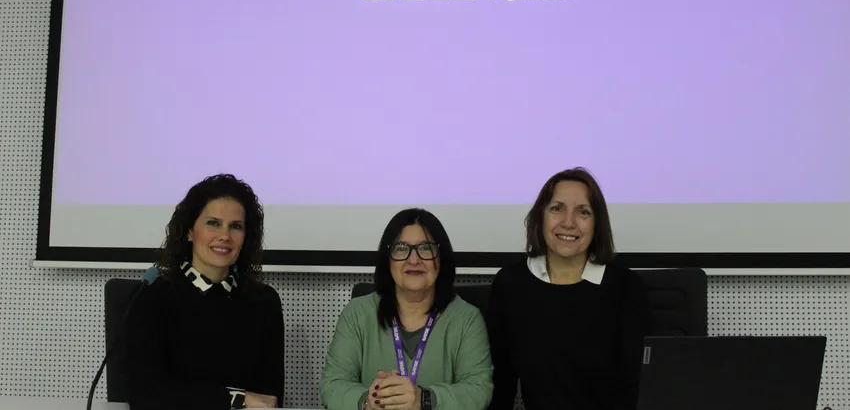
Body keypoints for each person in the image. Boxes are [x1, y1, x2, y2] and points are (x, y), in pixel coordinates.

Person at [486, 168, 652, 410]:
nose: (568, 222)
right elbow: (501, 381)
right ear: (540, 217)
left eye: (583, 212)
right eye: (557, 208)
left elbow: (635, 387)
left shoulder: (625, 288)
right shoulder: (511, 284)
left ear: (597, 224)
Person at [124, 174, 285, 410]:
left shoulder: (264, 301)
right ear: (190, 231)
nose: (225, 236)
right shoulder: (151, 298)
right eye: (213, 223)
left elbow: (268, 399)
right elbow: (145, 395)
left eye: (236, 226)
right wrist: (235, 398)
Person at [319, 208, 493, 410]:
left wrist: (423, 399)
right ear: (387, 258)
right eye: (401, 248)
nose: (414, 260)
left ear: (441, 257)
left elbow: (478, 390)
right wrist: (370, 401)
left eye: (425, 248)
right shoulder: (357, 314)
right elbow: (333, 384)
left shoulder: (466, 319)